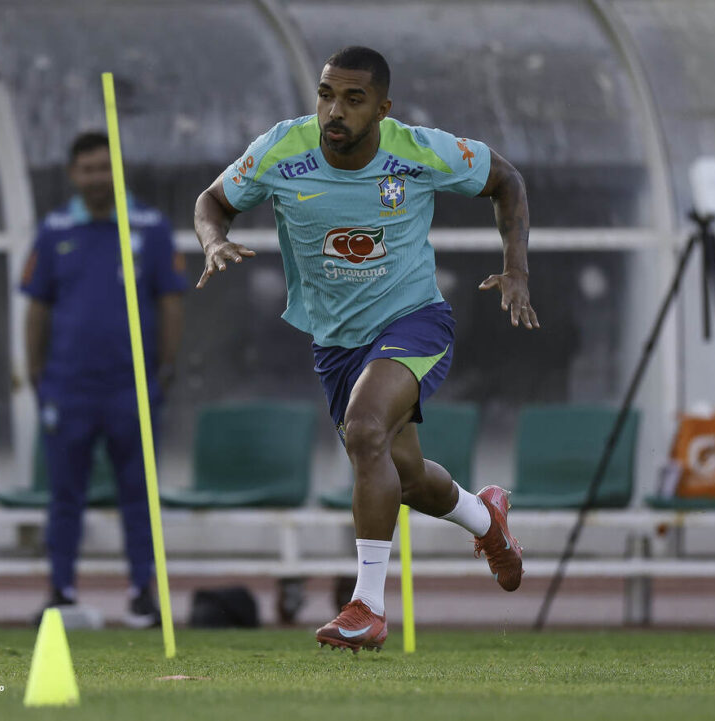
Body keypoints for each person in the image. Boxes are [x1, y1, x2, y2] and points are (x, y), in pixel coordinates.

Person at [194, 47, 539, 652]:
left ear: (382, 109)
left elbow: (506, 179)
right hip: (335, 343)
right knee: (404, 475)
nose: (335, 110)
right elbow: (212, 201)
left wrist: (516, 270)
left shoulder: (417, 150)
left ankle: (367, 607)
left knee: (364, 429)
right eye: (327, 95)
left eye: (354, 100)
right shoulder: (282, 149)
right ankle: (486, 519)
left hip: (415, 321)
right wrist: (213, 240)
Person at [21, 131, 186, 627]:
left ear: (119, 171)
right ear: (73, 174)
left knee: (138, 493)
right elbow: (36, 306)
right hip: (68, 386)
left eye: (104, 167)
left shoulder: (151, 227)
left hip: (131, 387)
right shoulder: (53, 230)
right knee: (64, 495)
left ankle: (142, 593)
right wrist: (35, 372)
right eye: (87, 169)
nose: (97, 178)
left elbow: (171, 301)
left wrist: (165, 367)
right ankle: (62, 591)